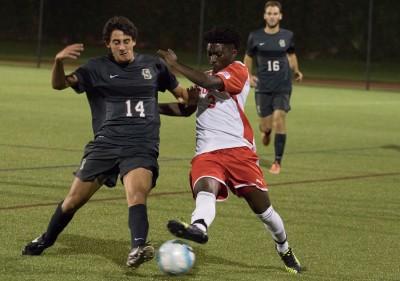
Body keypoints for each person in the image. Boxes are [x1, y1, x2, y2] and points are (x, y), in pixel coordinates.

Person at [21, 16, 190, 269]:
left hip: (141, 144)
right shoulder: (95, 68)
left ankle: (137, 246)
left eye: (126, 41)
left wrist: (191, 98)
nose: (122, 46)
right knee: (73, 200)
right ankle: (46, 239)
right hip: (106, 144)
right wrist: (58, 61)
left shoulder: (154, 66)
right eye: (116, 42)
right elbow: (59, 85)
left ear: (134, 41)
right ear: (107, 45)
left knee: (136, 194)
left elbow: (185, 101)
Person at [157, 26, 302, 274]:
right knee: (206, 187)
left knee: (265, 213)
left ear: (233, 52)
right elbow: (187, 109)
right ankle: (199, 228)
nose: (213, 58)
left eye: (218, 53)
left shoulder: (238, 70)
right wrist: (155, 107)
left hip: (238, 151)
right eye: (210, 53)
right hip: (206, 151)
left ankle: (284, 247)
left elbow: (211, 82)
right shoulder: (203, 76)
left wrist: (175, 65)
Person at [244, 1, 303, 174]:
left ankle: (277, 161)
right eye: (269, 13)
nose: (272, 16)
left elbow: (291, 55)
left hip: (283, 85)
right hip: (263, 87)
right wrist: (248, 76)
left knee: (279, 119)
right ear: (264, 16)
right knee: (265, 125)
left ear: (280, 16)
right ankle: (266, 131)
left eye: (275, 13)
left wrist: (296, 70)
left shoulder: (288, 35)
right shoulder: (255, 36)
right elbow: (248, 57)